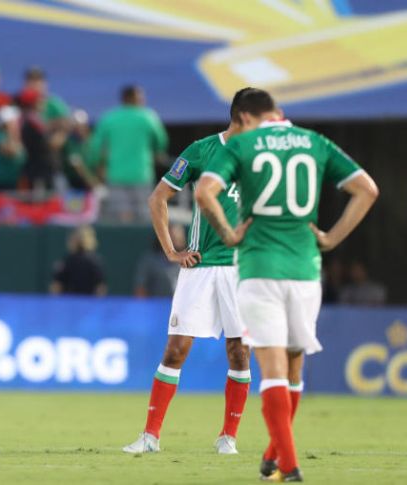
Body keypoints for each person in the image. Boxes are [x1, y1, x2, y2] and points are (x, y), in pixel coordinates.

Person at [195, 87, 379, 482]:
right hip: (306, 271)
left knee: (274, 371)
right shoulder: (315, 142)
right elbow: (368, 190)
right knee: (295, 370)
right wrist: (330, 238)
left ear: (245, 117)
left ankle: (289, 465)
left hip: (260, 268)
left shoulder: (243, 145)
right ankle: (273, 456)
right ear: (278, 113)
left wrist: (228, 234)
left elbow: (203, 192)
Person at [122, 103, 252, 455]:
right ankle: (150, 436)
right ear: (242, 116)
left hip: (243, 270)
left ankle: (228, 437)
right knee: (176, 350)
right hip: (200, 267)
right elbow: (158, 198)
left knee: (239, 352)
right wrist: (170, 250)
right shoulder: (202, 150)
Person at [88, 85, 168, 223]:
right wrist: (156, 153)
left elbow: (95, 148)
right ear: (131, 98)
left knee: (119, 220)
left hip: (115, 176)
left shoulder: (109, 118)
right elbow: (161, 142)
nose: (143, 100)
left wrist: (97, 166)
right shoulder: (148, 117)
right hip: (141, 175)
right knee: (144, 219)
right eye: (140, 96)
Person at [49, 225, 107, 296]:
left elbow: (100, 287)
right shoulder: (67, 260)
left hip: (82, 302)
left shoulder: (93, 261)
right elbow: (56, 286)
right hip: (73, 302)